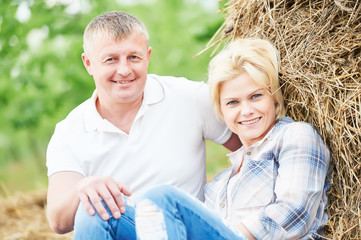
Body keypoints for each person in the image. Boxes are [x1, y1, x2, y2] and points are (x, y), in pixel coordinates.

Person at [45, 11, 241, 239]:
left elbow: (253, 145)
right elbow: (58, 221)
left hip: (188, 231)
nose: (124, 70)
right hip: (130, 229)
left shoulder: (190, 98)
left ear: (147, 56)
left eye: (133, 57)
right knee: (92, 212)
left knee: (160, 198)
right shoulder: (68, 132)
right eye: (111, 59)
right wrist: (82, 189)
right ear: (88, 64)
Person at [135, 38, 331, 240]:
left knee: (162, 198)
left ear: (274, 97)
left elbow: (295, 213)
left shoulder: (295, 136)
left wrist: (229, 234)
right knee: (108, 216)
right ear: (221, 110)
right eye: (233, 102)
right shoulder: (218, 185)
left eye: (255, 96)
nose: (246, 111)